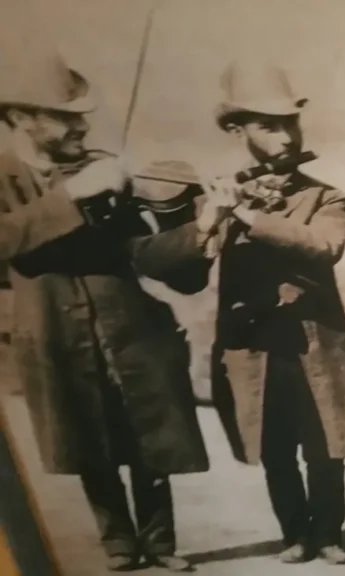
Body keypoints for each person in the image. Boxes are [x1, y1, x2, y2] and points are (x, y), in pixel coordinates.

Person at [135, 59, 345, 565]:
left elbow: (322, 245)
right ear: (237, 130)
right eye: (270, 125)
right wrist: (204, 224)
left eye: (291, 122)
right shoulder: (218, 197)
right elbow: (171, 270)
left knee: (326, 447)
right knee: (274, 448)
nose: (286, 135)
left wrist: (248, 214)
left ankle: (328, 533)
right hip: (252, 350)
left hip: (317, 346)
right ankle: (294, 535)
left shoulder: (328, 196)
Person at [0, 52, 209, 572]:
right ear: (22, 118)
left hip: (130, 328)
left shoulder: (102, 170)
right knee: (86, 434)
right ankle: (116, 540)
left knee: (148, 433)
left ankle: (160, 543)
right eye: (65, 115)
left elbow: (145, 253)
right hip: (52, 334)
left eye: (82, 114)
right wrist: (72, 195)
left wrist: (199, 232)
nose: (81, 125)